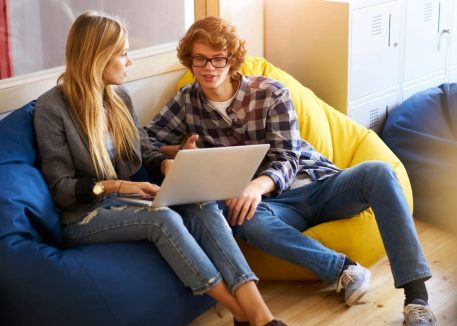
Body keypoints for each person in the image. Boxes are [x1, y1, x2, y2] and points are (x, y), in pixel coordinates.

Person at [145, 16, 437, 326]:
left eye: (219, 58)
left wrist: (256, 186)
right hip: (274, 208)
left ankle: (416, 298)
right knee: (243, 218)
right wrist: (169, 156)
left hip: (320, 184)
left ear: (232, 60)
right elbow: (141, 138)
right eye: (200, 59)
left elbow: (287, 156)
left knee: (380, 171)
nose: (209, 67)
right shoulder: (187, 102)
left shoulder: (270, 92)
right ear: (189, 60)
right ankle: (342, 270)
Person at [33, 11, 285, 326]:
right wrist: (117, 186)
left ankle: (259, 313)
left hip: (123, 201)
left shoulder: (118, 98)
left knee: (201, 202)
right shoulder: (51, 109)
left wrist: (170, 163)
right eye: (123, 54)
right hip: (83, 215)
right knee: (161, 218)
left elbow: (143, 149)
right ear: (98, 56)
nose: (130, 62)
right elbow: (62, 188)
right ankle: (241, 312)